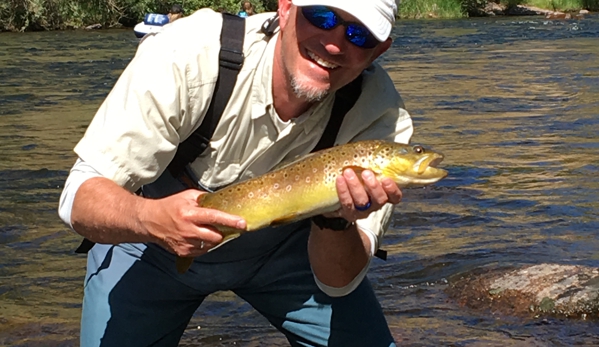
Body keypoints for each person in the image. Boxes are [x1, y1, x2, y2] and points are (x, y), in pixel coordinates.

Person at [58, 0, 412, 346]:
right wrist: (150, 219)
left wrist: (336, 221)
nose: (334, 43)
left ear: (378, 51)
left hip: (288, 251)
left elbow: (338, 281)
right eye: (321, 16)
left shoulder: (380, 118)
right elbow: (78, 197)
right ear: (285, 8)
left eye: (358, 34)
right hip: (150, 242)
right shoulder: (190, 52)